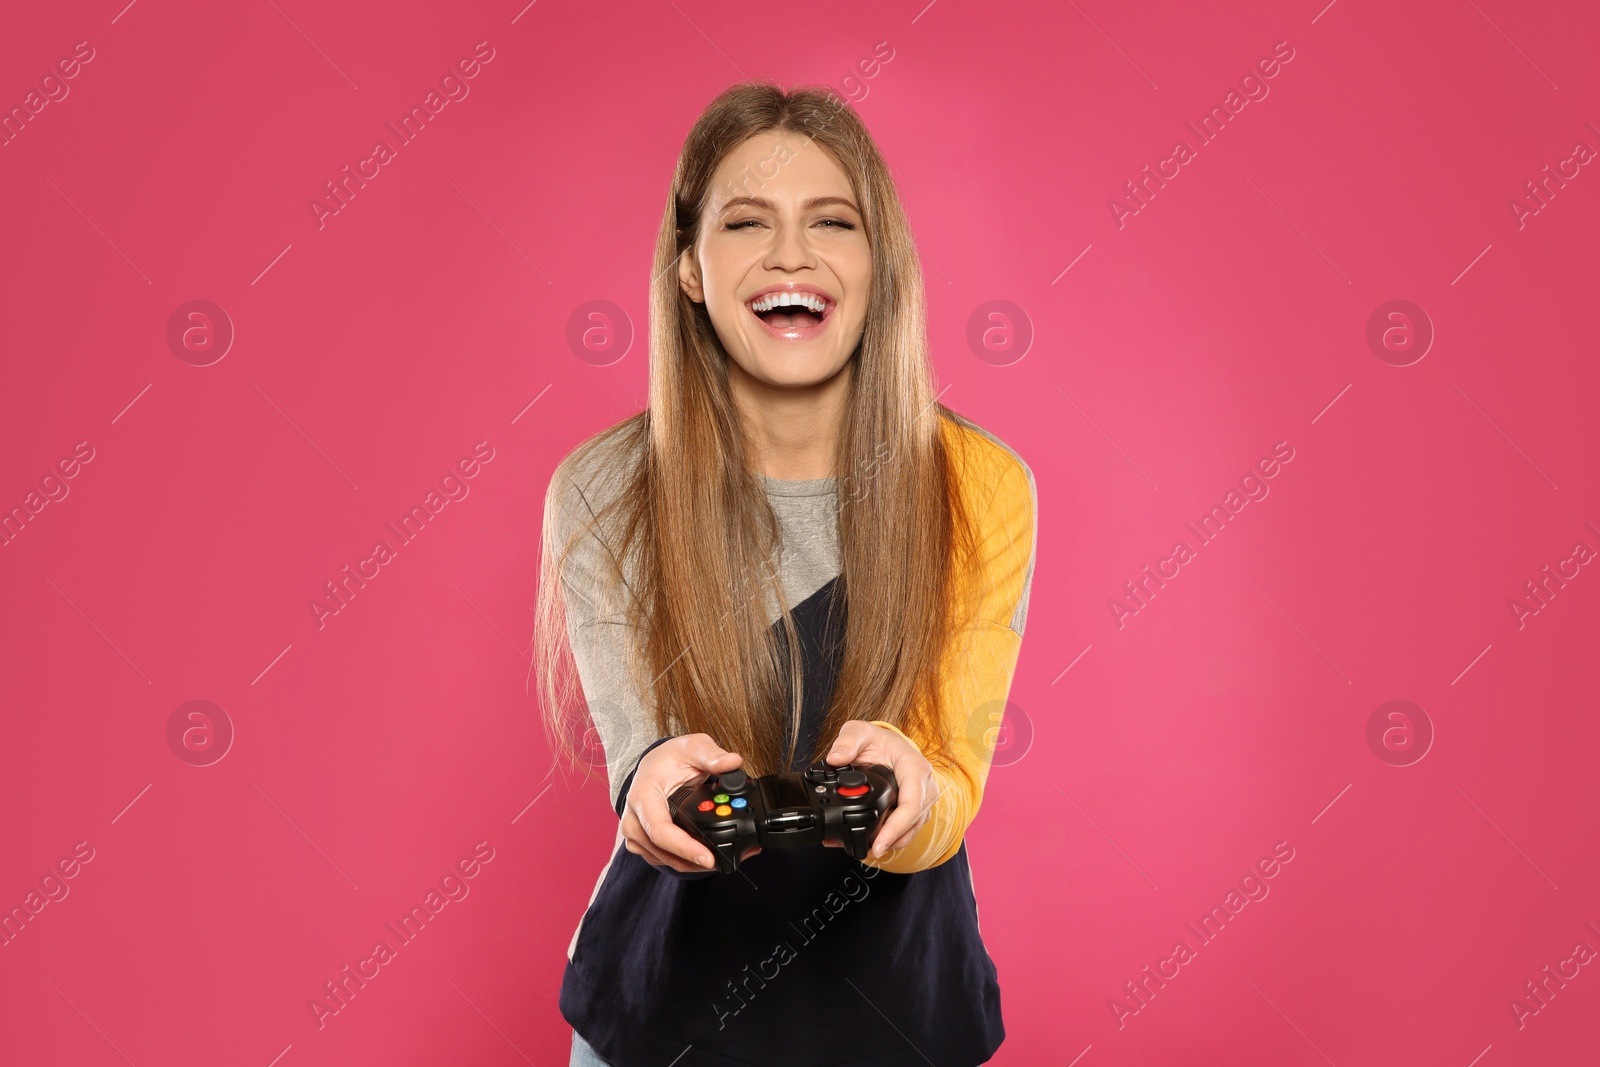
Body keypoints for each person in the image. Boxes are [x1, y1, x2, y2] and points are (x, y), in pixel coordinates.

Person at [531, 80, 1037, 1067]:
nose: (790, 254)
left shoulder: (981, 484)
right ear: (689, 268)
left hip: (902, 1013)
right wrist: (649, 788)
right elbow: (639, 754)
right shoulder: (601, 487)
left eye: (832, 222)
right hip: (656, 1017)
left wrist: (916, 791)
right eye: (746, 221)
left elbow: (955, 778)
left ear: (877, 262)